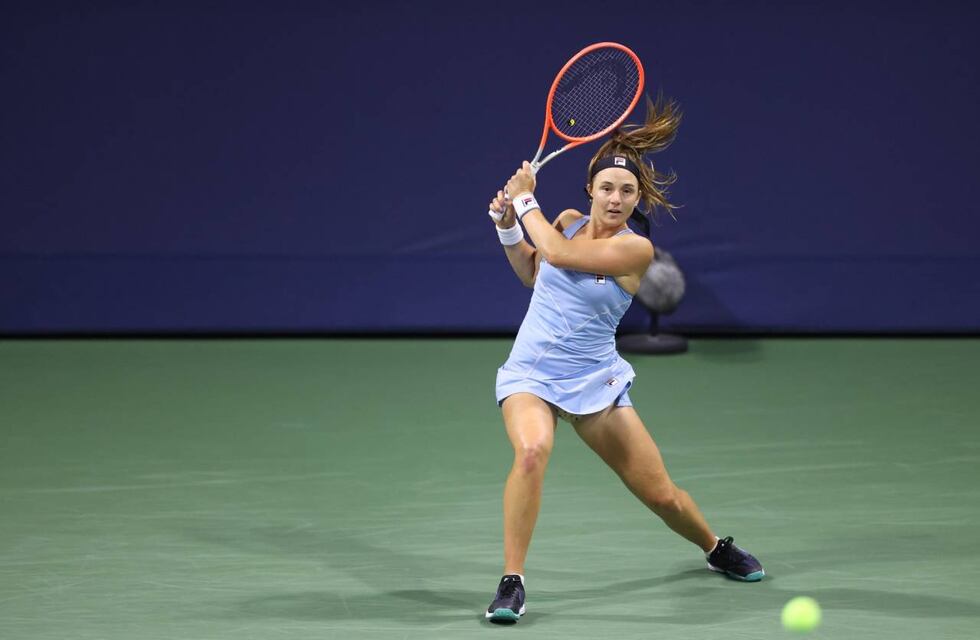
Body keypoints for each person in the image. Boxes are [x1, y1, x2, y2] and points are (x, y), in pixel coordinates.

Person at [484, 97, 764, 624]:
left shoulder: (635, 251)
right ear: (590, 190)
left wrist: (522, 200)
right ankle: (512, 581)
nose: (616, 199)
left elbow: (560, 255)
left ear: (637, 199)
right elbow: (534, 271)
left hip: (596, 383)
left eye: (627, 191)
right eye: (608, 188)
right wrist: (507, 226)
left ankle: (713, 546)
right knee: (531, 451)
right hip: (531, 374)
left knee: (662, 496)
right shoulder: (565, 223)